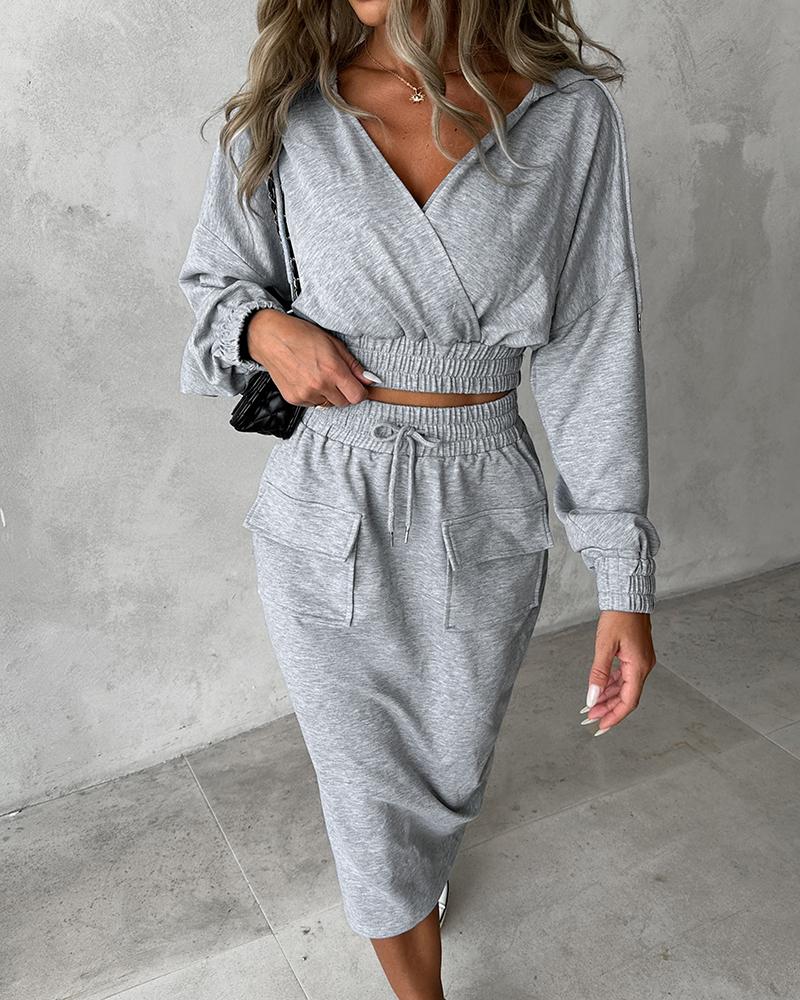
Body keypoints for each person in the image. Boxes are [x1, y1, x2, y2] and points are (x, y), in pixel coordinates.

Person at [177, 1, 661, 997]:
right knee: (363, 787)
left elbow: (592, 343)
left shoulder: (565, 117)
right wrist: (266, 331)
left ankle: (415, 876)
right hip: (326, 495)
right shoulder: (294, 108)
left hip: (482, 499)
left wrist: (623, 576)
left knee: (446, 769)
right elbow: (214, 285)